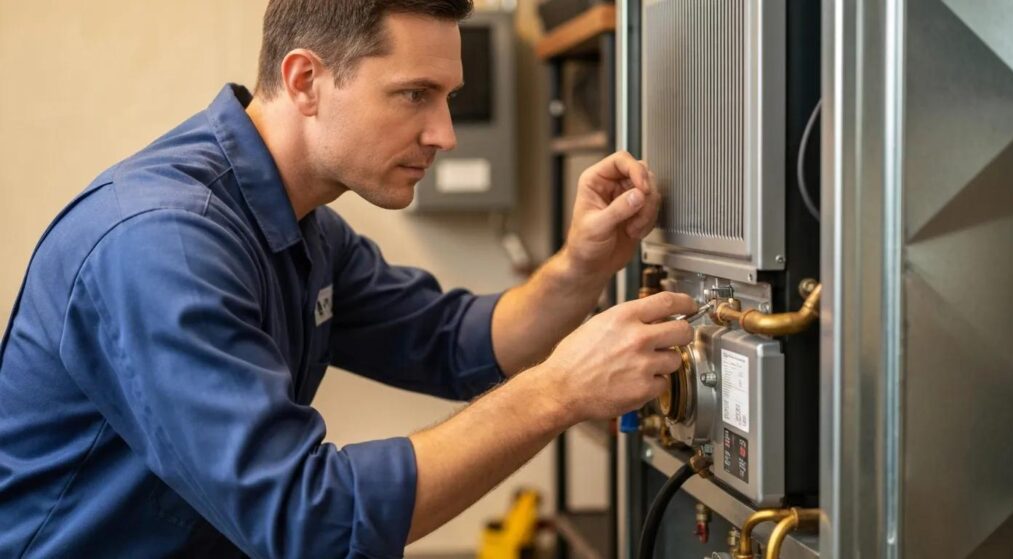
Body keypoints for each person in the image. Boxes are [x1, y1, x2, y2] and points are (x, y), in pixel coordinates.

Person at [0, 1, 695, 557]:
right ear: (305, 80)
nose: (444, 133)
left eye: (448, 97)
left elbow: (455, 341)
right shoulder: (162, 244)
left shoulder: (301, 223)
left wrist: (581, 266)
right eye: (414, 95)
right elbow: (308, 519)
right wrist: (559, 392)